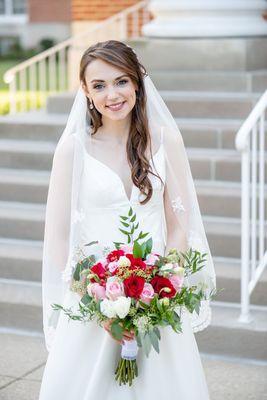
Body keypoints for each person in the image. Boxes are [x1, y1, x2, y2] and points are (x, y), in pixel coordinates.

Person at [39, 40, 216, 399]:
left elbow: (180, 225)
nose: (112, 94)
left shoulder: (167, 141)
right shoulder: (74, 149)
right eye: (99, 85)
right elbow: (58, 238)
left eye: (121, 81)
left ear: (137, 82)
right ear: (86, 92)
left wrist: (159, 287)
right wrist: (95, 299)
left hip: (156, 297)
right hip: (91, 299)